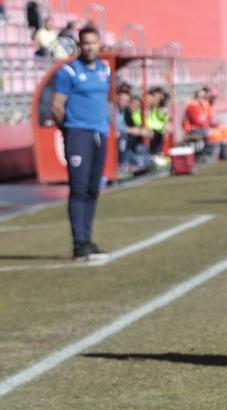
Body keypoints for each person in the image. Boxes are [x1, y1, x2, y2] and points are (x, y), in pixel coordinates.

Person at [51, 25, 110, 261]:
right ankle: (79, 243)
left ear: (99, 44)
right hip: (78, 134)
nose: (89, 47)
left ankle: (88, 239)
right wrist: (68, 129)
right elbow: (56, 105)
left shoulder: (104, 70)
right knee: (79, 187)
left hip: (99, 132)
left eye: (93, 42)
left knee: (94, 189)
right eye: (85, 43)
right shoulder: (68, 71)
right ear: (79, 45)